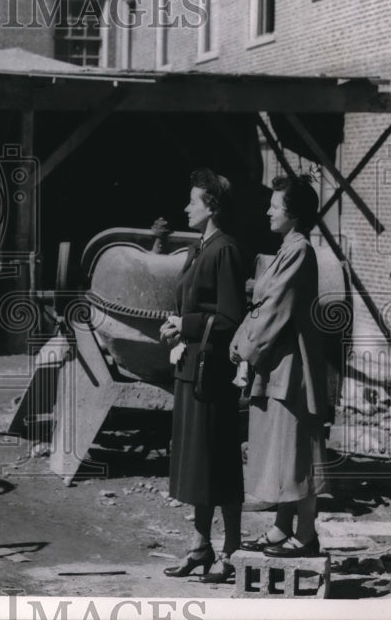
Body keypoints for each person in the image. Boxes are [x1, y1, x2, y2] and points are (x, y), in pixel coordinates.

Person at [230, 174, 329, 557]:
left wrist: (243, 348)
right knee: (285, 452)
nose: (268, 211)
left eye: (275, 205)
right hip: (277, 366)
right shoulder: (288, 249)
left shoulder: (299, 250)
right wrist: (243, 343)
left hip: (291, 370)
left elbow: (273, 310)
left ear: (293, 213)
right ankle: (281, 527)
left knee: (296, 454)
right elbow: (261, 307)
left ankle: (305, 536)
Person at [160, 169, 246, 583]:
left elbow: (231, 317)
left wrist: (187, 325)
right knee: (198, 464)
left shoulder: (224, 250)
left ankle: (231, 550)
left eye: (193, 200)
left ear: (211, 206)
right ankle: (199, 546)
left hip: (213, 375)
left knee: (221, 462)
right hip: (191, 370)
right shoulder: (201, 247)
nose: (186, 207)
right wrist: (176, 325)